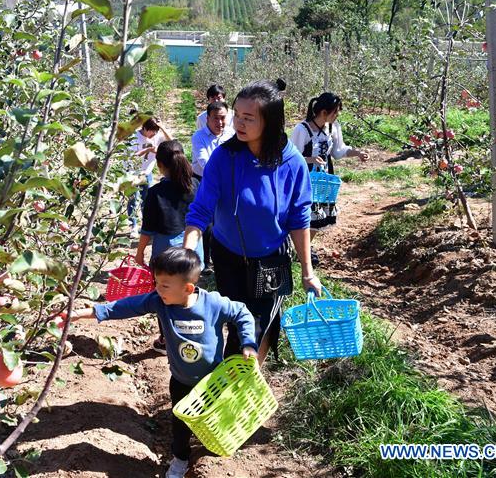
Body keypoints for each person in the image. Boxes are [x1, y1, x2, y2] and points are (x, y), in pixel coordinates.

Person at [70, 248, 257, 478]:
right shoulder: (160, 302)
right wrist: (88, 312)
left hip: (213, 382)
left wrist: (248, 343)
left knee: (215, 419)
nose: (158, 289)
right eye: (156, 283)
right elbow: (125, 307)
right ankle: (180, 459)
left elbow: (243, 313)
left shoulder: (213, 304)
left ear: (187, 288)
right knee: (180, 426)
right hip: (181, 381)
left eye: (164, 285)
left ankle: (211, 454)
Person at [183, 80, 322, 363]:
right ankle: (235, 384)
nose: (239, 123)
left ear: (270, 121)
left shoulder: (291, 162)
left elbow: (299, 216)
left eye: (249, 118)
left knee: (264, 324)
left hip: (271, 259)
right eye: (237, 115)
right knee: (237, 326)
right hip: (228, 257)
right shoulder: (224, 157)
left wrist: (307, 270)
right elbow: (200, 210)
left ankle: (251, 378)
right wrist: (187, 254)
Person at [135, 140, 203, 353]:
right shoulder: (197, 185)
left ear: (160, 165)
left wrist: (139, 254)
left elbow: (147, 229)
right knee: (189, 292)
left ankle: (166, 340)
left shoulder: (156, 193)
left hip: (166, 250)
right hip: (193, 246)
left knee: (165, 296)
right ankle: (194, 333)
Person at [288, 93, 368, 266]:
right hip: (304, 179)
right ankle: (299, 250)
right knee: (304, 214)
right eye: (335, 112)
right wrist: (309, 159)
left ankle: (303, 249)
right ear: (324, 112)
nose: (337, 116)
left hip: (323, 179)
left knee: (319, 215)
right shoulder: (302, 130)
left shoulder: (332, 128)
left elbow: (338, 151)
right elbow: (291, 156)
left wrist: (357, 153)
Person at [190, 101, 234, 271]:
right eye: (216, 119)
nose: (220, 123)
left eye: (223, 118)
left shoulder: (231, 135)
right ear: (207, 118)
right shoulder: (199, 136)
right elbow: (204, 162)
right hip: (203, 182)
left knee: (223, 220)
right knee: (206, 222)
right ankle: (206, 260)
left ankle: (222, 259)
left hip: (227, 182)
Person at [128, 118, 172, 234]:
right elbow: (131, 156)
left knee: (147, 200)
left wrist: (162, 127)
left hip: (147, 173)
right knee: (133, 200)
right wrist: (149, 149)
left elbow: (172, 142)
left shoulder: (156, 136)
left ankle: (146, 225)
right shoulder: (134, 136)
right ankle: (133, 226)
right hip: (132, 173)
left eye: (156, 131)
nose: (154, 134)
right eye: (152, 131)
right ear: (145, 128)